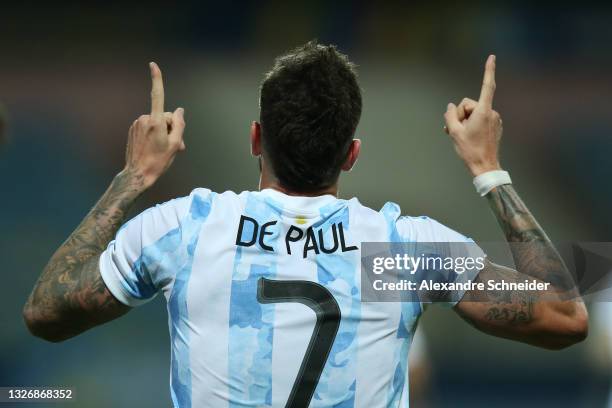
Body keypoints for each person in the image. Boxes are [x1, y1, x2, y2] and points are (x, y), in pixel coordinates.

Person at [23, 42, 587, 407]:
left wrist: (133, 177)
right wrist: (489, 169)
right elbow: (565, 316)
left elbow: (46, 312)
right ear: (352, 155)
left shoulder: (187, 230)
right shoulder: (395, 252)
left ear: (255, 140)